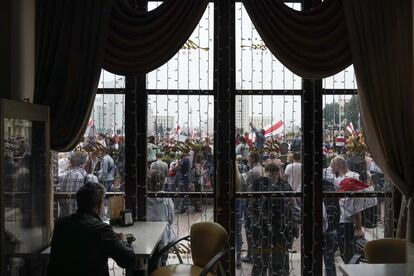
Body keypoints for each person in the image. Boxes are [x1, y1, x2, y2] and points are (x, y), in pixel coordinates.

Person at [47, 182, 136, 276]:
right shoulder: (102, 229)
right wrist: (123, 241)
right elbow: (129, 260)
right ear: (100, 204)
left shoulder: (61, 225)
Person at [251, 163, 296, 275]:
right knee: (273, 261)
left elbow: (252, 205)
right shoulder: (283, 185)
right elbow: (293, 204)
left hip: (270, 227)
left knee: (265, 260)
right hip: (275, 227)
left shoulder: (260, 184)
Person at [331, 156, 377, 264]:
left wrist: (358, 228)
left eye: (333, 165)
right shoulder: (342, 178)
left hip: (347, 222)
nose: (331, 168)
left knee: (348, 252)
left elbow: (355, 205)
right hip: (342, 220)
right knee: (344, 250)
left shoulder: (350, 178)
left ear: (339, 165)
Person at [147, 171, 176, 265]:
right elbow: (171, 219)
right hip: (163, 239)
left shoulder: (144, 197)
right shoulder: (166, 198)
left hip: (147, 238)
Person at [58, 151, 98, 217]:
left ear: (71, 162)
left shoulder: (61, 177)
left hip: (65, 221)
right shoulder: (91, 179)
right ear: (85, 163)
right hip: (83, 221)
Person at [241, 151, 263, 263]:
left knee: (249, 228)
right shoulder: (261, 168)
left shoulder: (253, 171)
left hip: (251, 202)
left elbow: (243, 183)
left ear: (253, 159)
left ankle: (251, 255)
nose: (248, 160)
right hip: (258, 203)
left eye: (249, 158)